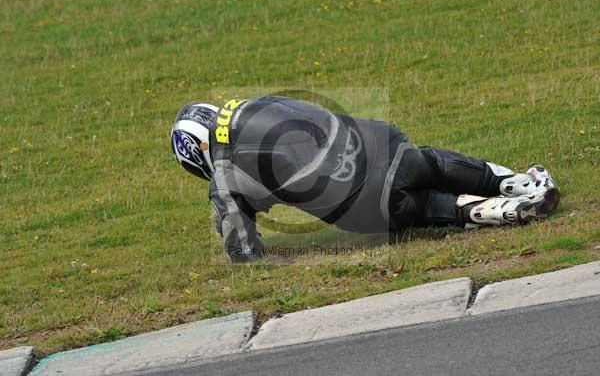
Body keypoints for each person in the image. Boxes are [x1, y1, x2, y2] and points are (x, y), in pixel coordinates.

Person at [170, 96, 559, 262]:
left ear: (194, 152)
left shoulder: (224, 174)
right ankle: (517, 183)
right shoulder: (260, 102)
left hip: (370, 207)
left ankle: (500, 211)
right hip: (384, 146)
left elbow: (243, 253)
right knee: (431, 164)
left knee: (418, 207)